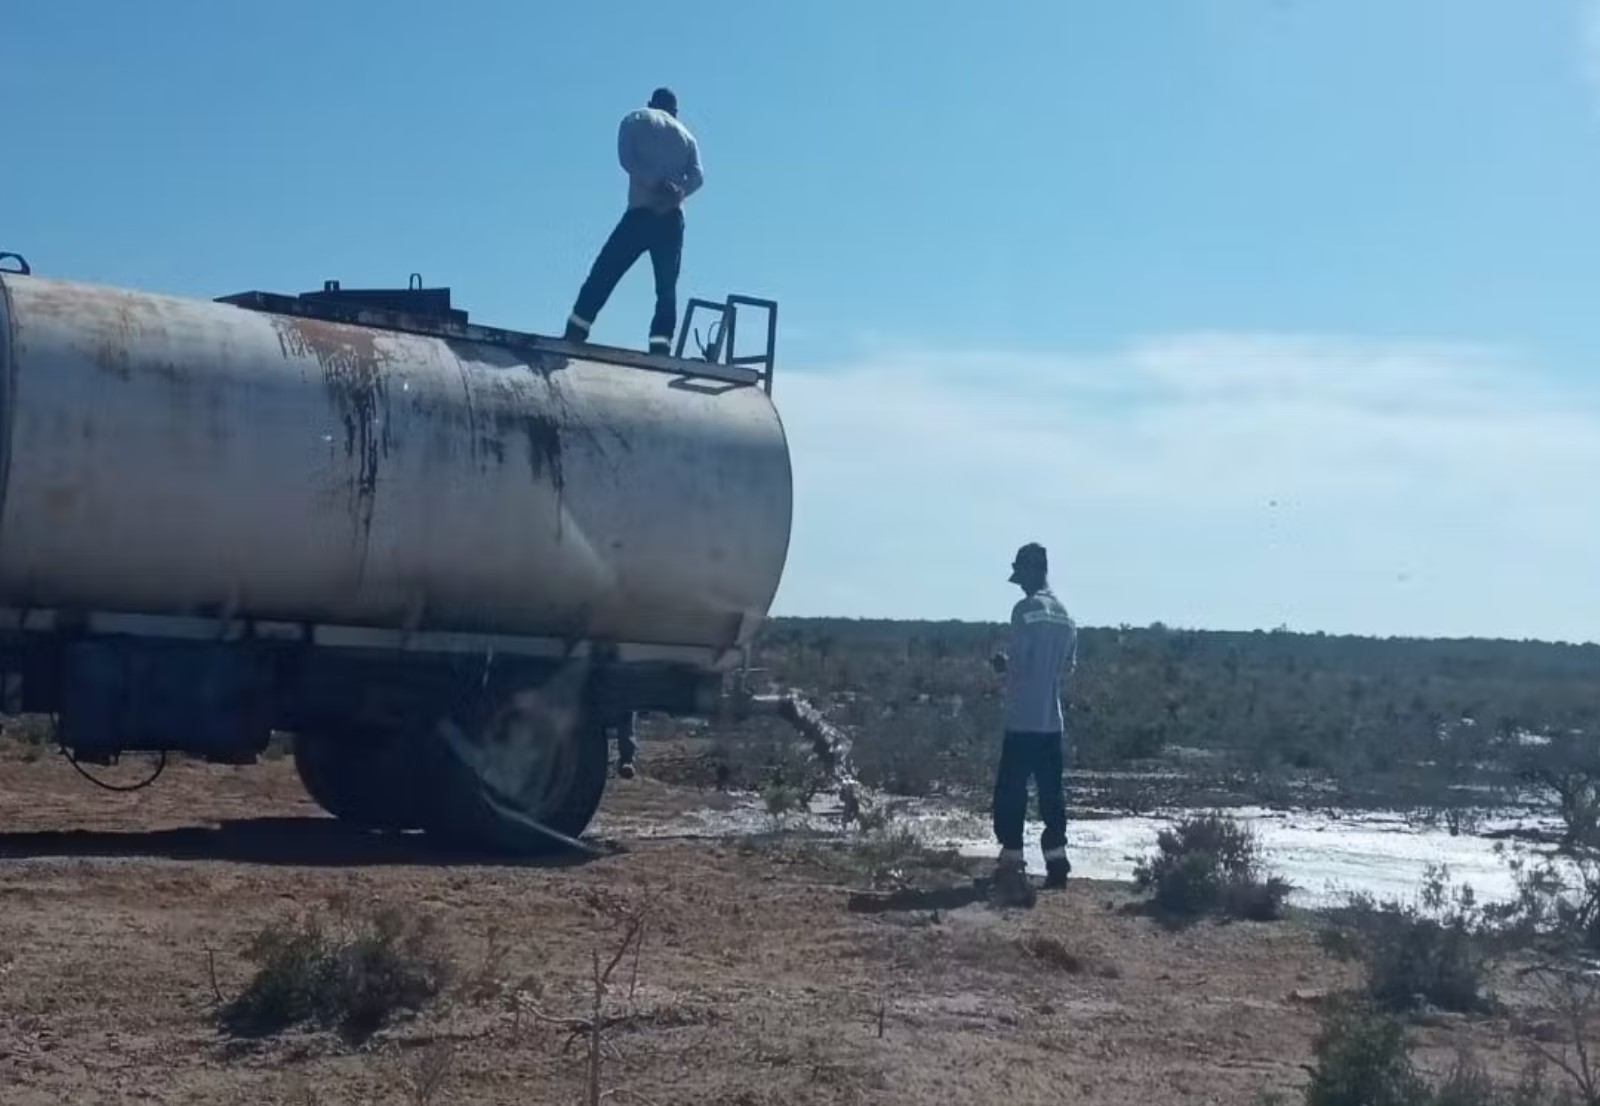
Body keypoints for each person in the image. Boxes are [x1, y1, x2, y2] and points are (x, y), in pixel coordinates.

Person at [564, 87, 705, 356]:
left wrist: (653, 183)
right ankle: (660, 346)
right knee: (666, 288)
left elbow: (626, 159)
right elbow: (698, 177)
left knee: (605, 271)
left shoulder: (635, 119)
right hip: (671, 218)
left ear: (650, 103)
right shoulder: (687, 137)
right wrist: (677, 190)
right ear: (675, 111)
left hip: (641, 211)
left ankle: (576, 330)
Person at [989, 542, 1078, 898]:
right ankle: (1057, 863)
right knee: (1052, 795)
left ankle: (1012, 862)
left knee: (1010, 793)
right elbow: (1068, 668)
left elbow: (1019, 665)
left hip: (1023, 719)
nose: (1020, 582)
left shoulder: (1024, 610)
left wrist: (1002, 665)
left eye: (1022, 574)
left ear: (1031, 571)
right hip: (1051, 722)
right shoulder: (1066, 615)